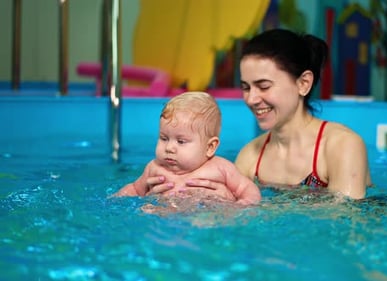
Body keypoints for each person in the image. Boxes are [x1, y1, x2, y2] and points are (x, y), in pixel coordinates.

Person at [147, 29, 372, 200]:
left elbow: (344, 224)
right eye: (246, 87)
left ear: (303, 83)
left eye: (263, 86)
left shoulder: (342, 146)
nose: (251, 98)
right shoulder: (250, 157)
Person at [113, 91, 261, 206]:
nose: (169, 147)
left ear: (210, 147)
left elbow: (247, 189)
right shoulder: (154, 168)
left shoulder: (221, 168)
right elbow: (134, 189)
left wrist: (243, 205)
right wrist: (115, 200)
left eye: (181, 141)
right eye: (164, 138)